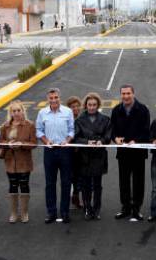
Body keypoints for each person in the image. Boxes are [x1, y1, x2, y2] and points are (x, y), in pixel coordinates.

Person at [111, 84, 151, 221]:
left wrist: (136, 141)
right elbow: (113, 130)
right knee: (124, 181)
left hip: (138, 152)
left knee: (138, 181)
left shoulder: (143, 109)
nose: (126, 96)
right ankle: (125, 207)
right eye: (123, 94)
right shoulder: (116, 110)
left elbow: (146, 131)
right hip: (123, 152)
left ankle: (136, 208)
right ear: (120, 95)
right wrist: (115, 138)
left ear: (133, 94)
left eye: (128, 93)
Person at [36, 88, 75, 224]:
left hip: (65, 150)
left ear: (60, 98)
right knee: (50, 183)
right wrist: (46, 141)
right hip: (50, 151)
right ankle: (51, 212)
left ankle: (65, 212)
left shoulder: (67, 112)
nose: (53, 100)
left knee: (66, 183)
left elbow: (72, 130)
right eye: (51, 98)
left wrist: (67, 140)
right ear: (48, 99)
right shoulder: (42, 113)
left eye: (56, 97)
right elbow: (39, 131)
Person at [74, 93, 112, 221]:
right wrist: (87, 142)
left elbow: (108, 136)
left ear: (98, 105)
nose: (91, 107)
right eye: (89, 105)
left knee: (97, 185)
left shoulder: (105, 119)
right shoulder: (79, 120)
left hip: (98, 156)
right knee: (85, 185)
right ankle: (87, 209)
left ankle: (96, 210)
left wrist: (102, 141)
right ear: (85, 105)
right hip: (84, 157)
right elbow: (75, 138)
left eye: (94, 105)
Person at [0, 101, 37, 224]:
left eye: (18, 110)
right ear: (10, 113)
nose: (16, 113)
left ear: (22, 111)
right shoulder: (5, 126)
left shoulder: (29, 125)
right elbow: (0, 142)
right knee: (13, 185)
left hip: (24, 161)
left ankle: (24, 212)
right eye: (13, 111)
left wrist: (22, 144)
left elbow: (34, 143)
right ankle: (14, 213)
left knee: (24, 185)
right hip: (10, 161)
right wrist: (8, 144)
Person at [66, 96, 83, 210]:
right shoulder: (67, 120)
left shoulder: (82, 119)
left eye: (77, 106)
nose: (75, 109)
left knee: (79, 177)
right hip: (68, 153)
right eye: (73, 107)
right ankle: (70, 198)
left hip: (81, 154)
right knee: (69, 177)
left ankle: (76, 196)